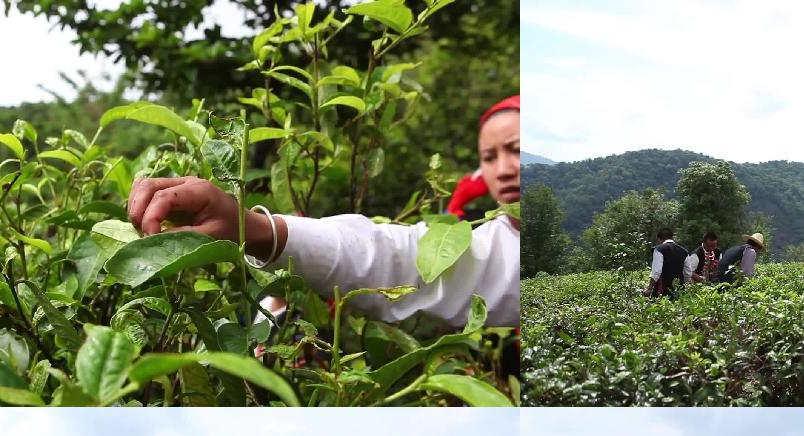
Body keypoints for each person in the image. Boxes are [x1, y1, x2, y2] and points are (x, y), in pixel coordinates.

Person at [126, 96, 519, 329]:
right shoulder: (498, 244)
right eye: (489, 157)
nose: (502, 169)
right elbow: (400, 257)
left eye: (518, 149)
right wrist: (255, 227)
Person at [645, 227, 689, 298]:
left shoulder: (659, 249)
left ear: (659, 239)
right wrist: (683, 285)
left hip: (662, 290)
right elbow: (688, 272)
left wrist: (649, 289)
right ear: (672, 238)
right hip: (679, 291)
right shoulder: (684, 251)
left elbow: (656, 272)